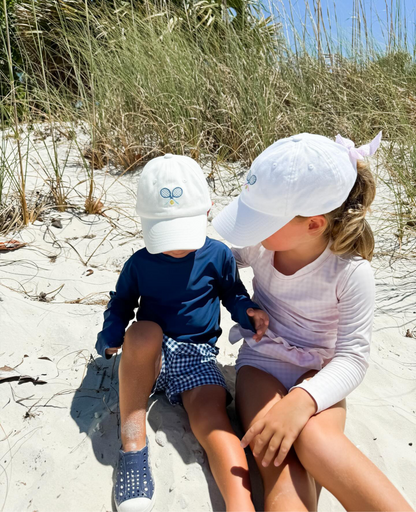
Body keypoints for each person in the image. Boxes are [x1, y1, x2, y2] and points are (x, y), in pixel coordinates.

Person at [212, 132, 413, 512]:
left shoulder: (350, 273)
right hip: (262, 364)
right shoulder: (258, 244)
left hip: (321, 372)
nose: (251, 229)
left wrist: (304, 399)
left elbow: (353, 359)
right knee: (279, 467)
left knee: (317, 442)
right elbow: (215, 259)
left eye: (261, 220)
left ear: (313, 224)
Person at [95, 154, 269, 512]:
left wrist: (246, 310)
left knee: (213, 420)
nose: (176, 246)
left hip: (197, 355)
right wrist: (112, 331)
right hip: (149, 358)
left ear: (208, 211)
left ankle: (240, 502)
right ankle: (133, 446)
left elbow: (232, 292)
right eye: (165, 232)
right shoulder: (140, 262)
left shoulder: (217, 255)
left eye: (183, 231)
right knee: (143, 332)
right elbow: (121, 301)